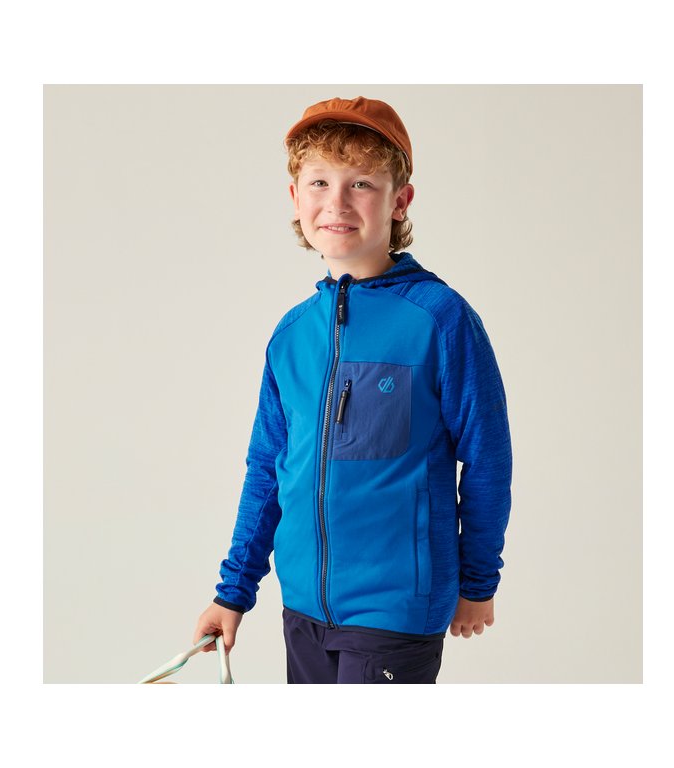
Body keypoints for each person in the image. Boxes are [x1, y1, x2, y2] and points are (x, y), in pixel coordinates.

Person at [193, 96, 512, 683]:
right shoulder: (292, 335)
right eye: (319, 182)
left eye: (361, 183)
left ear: (400, 200)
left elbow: (488, 456)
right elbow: (268, 470)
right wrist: (233, 592)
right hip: (303, 610)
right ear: (296, 197)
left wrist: (477, 582)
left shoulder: (440, 319)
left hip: (395, 609)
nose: (336, 203)